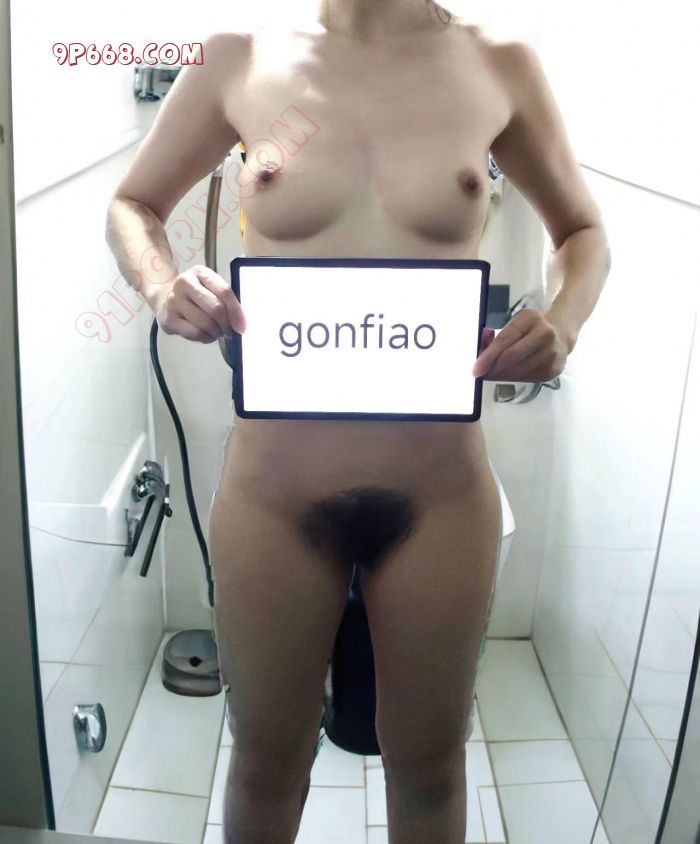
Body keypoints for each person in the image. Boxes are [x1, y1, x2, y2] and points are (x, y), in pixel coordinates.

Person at [105, 1, 611, 841]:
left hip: (438, 499)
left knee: (430, 769)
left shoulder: (498, 63)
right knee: (265, 761)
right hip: (275, 495)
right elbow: (132, 203)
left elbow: (584, 231)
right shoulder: (239, 56)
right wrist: (162, 287)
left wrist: (564, 322)